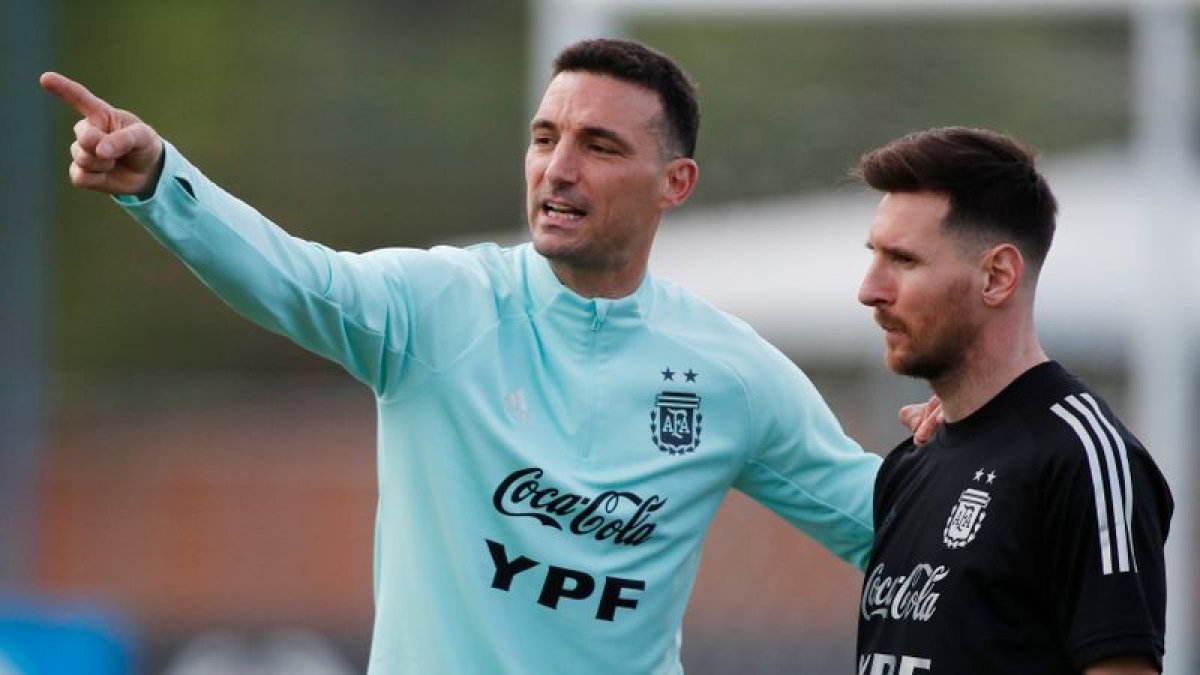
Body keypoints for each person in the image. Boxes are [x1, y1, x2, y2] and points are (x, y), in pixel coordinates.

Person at [42, 39, 933, 674]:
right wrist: (163, 183)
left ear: (676, 183)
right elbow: (295, 278)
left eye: (600, 145)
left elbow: (884, 524)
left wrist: (977, 452)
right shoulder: (445, 307)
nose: (559, 168)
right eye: (546, 138)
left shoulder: (732, 373)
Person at [852, 127, 1173, 675]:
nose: (869, 289)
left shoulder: (1082, 459)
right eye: (874, 256)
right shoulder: (910, 465)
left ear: (997, 276)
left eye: (903, 261)